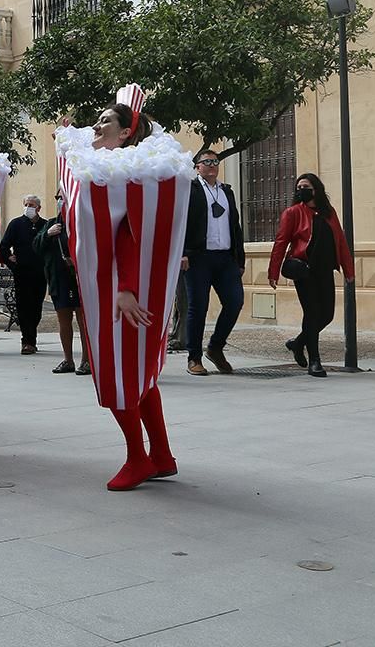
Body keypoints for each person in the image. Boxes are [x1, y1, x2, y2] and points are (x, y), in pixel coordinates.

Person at [61, 88, 189, 491]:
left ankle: (138, 457)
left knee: (118, 373)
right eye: (97, 120)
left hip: (118, 291)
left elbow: (128, 234)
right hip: (114, 286)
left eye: (106, 122)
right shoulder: (109, 168)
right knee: (140, 374)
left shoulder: (121, 177)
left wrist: (127, 288)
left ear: (127, 134)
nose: (97, 126)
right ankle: (162, 454)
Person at [268, 173, 355, 379]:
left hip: (325, 269)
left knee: (327, 315)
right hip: (304, 270)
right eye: (298, 187)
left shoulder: (329, 212)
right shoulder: (293, 213)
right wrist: (273, 272)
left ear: (316, 189)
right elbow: (281, 242)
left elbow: (341, 242)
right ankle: (315, 361)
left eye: (305, 186)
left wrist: (349, 270)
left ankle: (298, 343)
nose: (301, 190)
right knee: (313, 313)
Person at [180, 149, 245, 376]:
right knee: (198, 308)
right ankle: (194, 357)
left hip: (225, 257)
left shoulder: (227, 192)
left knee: (235, 301)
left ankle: (216, 347)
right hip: (198, 257)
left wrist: (240, 258)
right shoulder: (190, 189)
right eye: (207, 161)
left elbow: (235, 226)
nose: (212, 165)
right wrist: (183, 252)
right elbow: (182, 223)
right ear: (197, 166)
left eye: (215, 161)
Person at [35, 193, 88, 375]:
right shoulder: (51, 224)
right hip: (59, 280)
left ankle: (87, 360)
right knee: (63, 321)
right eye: (57, 197)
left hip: (80, 280)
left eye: (62, 197)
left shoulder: (82, 222)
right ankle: (68, 360)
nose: (59, 200)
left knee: (83, 322)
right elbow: (36, 246)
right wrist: (47, 235)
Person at [0, 195, 48, 355]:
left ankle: (31, 337)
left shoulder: (45, 225)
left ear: (38, 208)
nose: (28, 207)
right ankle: (27, 341)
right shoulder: (16, 224)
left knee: (36, 308)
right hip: (22, 274)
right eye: (26, 204)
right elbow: (4, 247)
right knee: (24, 307)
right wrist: (12, 263)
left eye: (31, 205)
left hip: (40, 274)